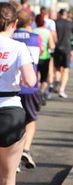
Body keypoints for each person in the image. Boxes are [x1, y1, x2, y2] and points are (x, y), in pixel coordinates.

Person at [0, 2, 36, 185]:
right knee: (8, 179)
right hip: (10, 110)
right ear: (14, 23)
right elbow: (31, 81)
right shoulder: (19, 47)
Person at [12, 10, 42, 171]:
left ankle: (14, 158)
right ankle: (25, 149)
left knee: (14, 123)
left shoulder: (9, 38)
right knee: (30, 121)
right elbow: (40, 57)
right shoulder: (36, 38)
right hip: (30, 87)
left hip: (12, 88)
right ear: (30, 22)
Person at [33, 14, 55, 106]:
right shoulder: (47, 32)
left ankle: (36, 92)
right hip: (45, 57)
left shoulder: (33, 31)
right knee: (44, 79)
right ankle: (41, 92)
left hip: (34, 57)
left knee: (36, 77)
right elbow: (52, 46)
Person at [54, 9, 73, 98]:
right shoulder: (70, 24)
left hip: (57, 47)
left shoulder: (55, 23)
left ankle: (57, 79)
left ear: (59, 14)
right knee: (66, 69)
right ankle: (62, 89)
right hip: (67, 47)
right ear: (66, 14)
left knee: (57, 67)